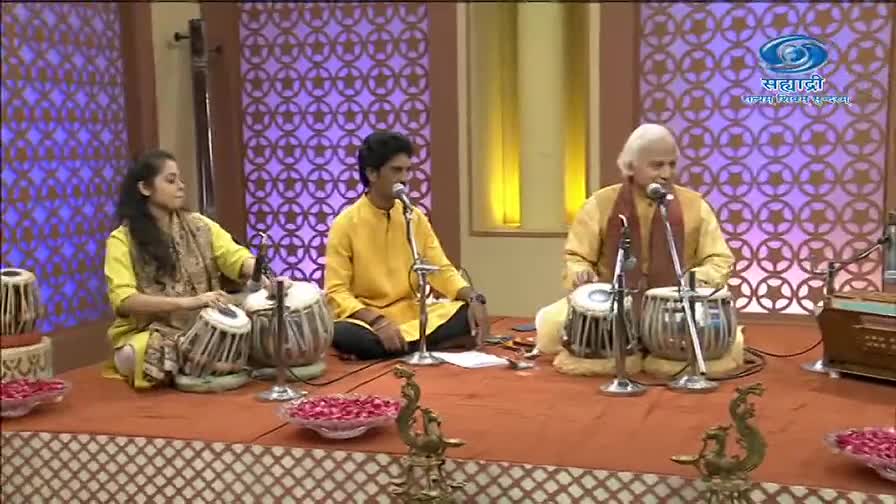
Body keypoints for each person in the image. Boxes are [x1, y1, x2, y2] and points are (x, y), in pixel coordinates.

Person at [536, 123, 735, 356]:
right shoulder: (600, 204)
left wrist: (695, 281)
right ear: (631, 165)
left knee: (727, 338)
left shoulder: (695, 206)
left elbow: (719, 258)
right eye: (657, 165)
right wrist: (582, 273)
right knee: (550, 328)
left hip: (676, 310)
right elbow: (577, 256)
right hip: (612, 307)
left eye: (672, 164)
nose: (666, 174)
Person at [102, 149, 261, 389]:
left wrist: (262, 272)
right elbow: (124, 299)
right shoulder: (122, 240)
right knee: (137, 355)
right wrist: (191, 302)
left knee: (255, 318)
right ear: (145, 188)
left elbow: (235, 257)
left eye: (180, 179)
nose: (181, 186)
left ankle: (200, 360)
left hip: (202, 324)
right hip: (149, 331)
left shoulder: (199, 225)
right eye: (170, 180)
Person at [324, 131, 490, 360]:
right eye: (396, 170)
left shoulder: (414, 217)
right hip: (366, 320)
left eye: (407, 170)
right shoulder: (345, 224)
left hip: (411, 315)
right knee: (347, 334)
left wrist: (472, 297)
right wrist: (377, 320)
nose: (404, 178)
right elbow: (336, 293)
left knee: (464, 313)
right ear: (372, 173)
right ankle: (422, 344)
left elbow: (440, 269)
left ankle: (399, 347)